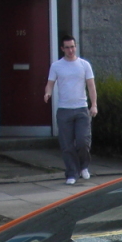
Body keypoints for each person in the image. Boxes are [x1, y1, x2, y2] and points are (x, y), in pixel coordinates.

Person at [44, 35, 97, 185]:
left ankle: (83, 166)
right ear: (62, 49)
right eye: (67, 47)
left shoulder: (84, 65)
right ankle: (72, 173)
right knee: (67, 145)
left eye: (72, 46)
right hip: (64, 110)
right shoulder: (56, 66)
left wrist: (94, 105)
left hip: (81, 108)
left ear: (76, 47)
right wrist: (47, 93)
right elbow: (50, 83)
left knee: (83, 141)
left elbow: (91, 86)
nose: (70, 50)